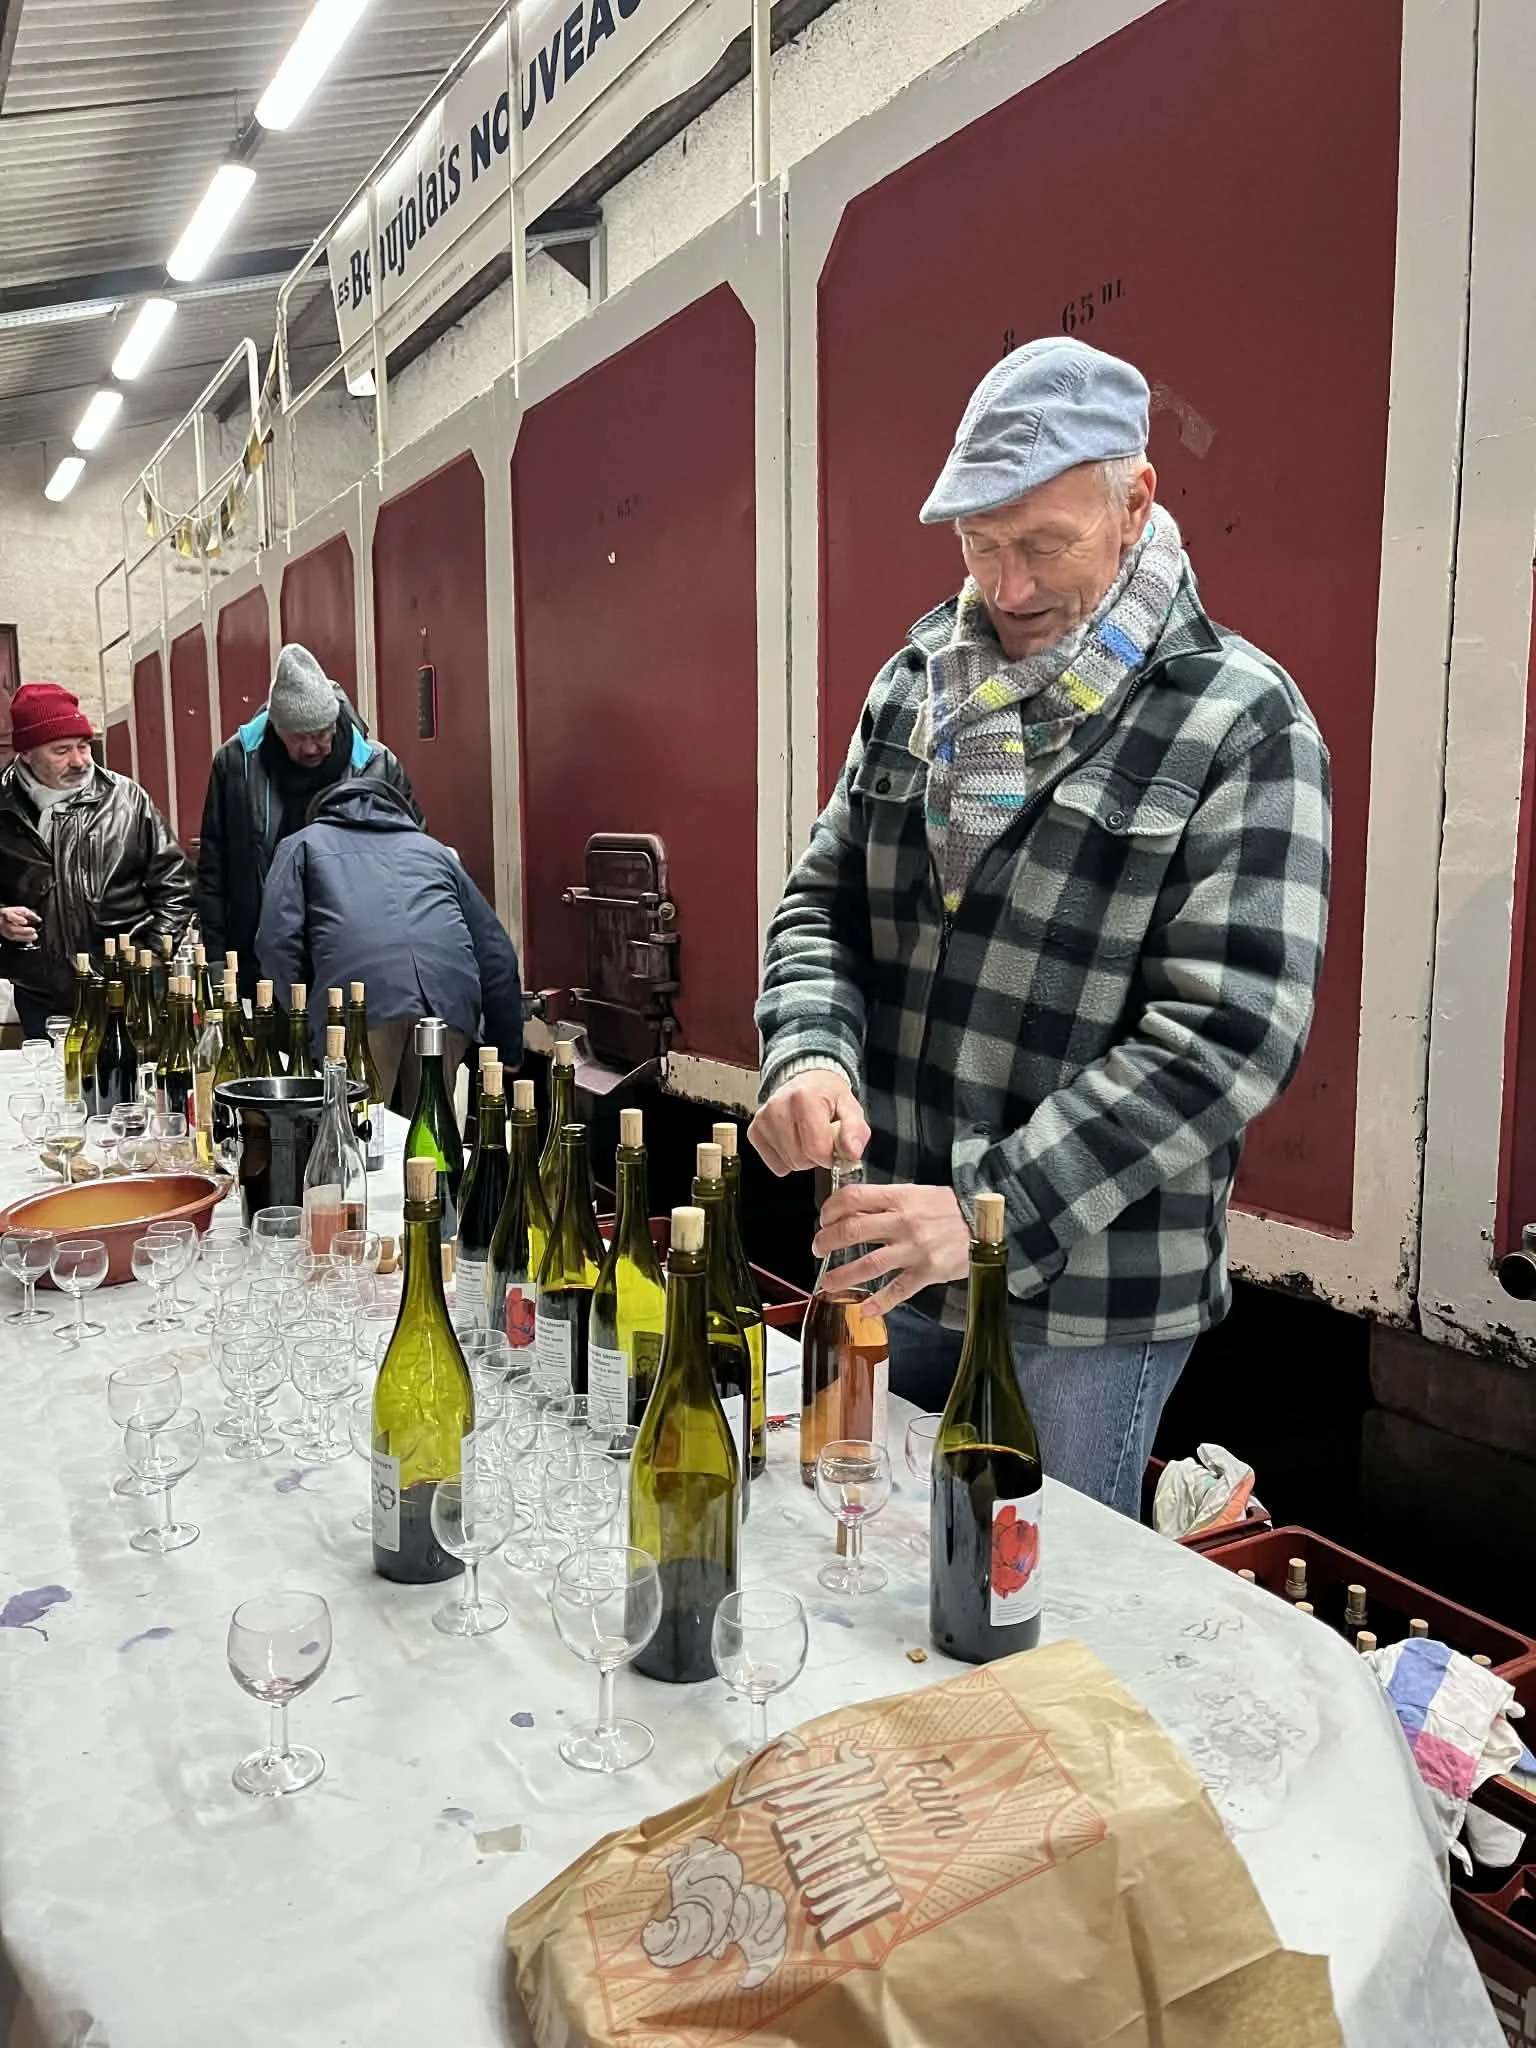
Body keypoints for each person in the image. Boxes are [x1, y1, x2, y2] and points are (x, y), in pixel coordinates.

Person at [750, 338, 1331, 1516]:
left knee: (1027, 1621)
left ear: (1136, 505)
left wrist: (982, 1211)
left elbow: (1226, 1037)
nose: (1006, 589)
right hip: (890, 1254)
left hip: (1084, 1309)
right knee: (852, 1553)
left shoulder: (1240, 721)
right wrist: (806, 1049)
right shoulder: (919, 682)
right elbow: (825, 903)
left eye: (1043, 545)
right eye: (979, 544)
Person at [254, 780, 522, 1111]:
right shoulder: (434, 851)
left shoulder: (302, 845)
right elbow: (497, 953)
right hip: (447, 1004)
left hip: (358, 1008)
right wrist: (506, 1047)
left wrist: (303, 1015)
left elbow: (275, 944)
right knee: (430, 1145)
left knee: (355, 1138)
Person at [197, 643, 419, 997]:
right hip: (261, 963)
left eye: (323, 733)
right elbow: (213, 871)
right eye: (301, 738)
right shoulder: (235, 764)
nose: (315, 747)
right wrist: (217, 961)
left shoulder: (377, 766)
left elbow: (415, 864)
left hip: (352, 962)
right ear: (277, 729)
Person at [0, 683, 193, 1036]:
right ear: (25, 753)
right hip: (43, 999)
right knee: (58, 1088)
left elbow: (176, 890)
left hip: (129, 993)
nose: (79, 761)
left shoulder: (126, 800)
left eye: (83, 746)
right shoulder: (3, 807)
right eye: (61, 750)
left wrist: (148, 962)